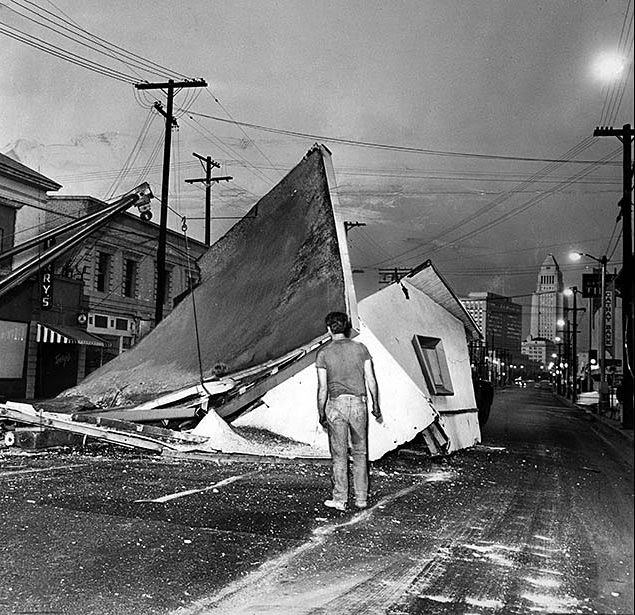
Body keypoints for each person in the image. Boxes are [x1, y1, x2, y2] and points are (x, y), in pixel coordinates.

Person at [316, 311, 382, 511]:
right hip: (359, 405)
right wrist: (376, 406)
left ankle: (340, 499)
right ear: (347, 327)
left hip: (336, 405)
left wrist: (321, 414)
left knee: (339, 454)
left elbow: (323, 389)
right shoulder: (361, 349)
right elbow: (371, 379)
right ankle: (361, 498)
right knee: (361, 452)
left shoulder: (324, 354)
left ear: (329, 329)